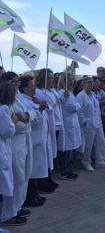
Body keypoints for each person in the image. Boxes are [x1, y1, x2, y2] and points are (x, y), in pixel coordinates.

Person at [0, 72, 33, 225]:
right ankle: (10, 211)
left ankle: (17, 206)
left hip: (24, 139)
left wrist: (24, 117)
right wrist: (21, 120)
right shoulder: (5, 105)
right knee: (16, 176)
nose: (17, 84)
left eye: (18, 81)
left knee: (24, 173)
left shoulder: (17, 96)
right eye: (13, 81)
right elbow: (10, 126)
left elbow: (29, 112)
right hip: (14, 143)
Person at [19, 75, 48, 207]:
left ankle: (34, 193)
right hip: (31, 138)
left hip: (38, 138)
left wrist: (39, 106)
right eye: (32, 86)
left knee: (35, 169)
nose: (34, 87)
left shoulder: (33, 99)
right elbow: (32, 121)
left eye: (35, 85)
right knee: (30, 170)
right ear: (24, 88)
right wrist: (40, 110)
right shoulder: (24, 102)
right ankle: (30, 196)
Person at [0, 82, 24, 226]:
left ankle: (9, 212)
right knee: (7, 182)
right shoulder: (3, 109)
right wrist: (13, 121)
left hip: (4, 148)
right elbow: (7, 130)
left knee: (6, 182)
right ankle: (8, 214)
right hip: (2, 149)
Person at [76, 77, 105, 172]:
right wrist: (84, 121)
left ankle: (100, 160)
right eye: (88, 83)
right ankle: (86, 162)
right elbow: (79, 111)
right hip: (88, 124)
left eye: (91, 83)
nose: (91, 85)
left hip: (97, 122)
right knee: (88, 145)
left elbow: (97, 108)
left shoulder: (93, 94)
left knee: (101, 141)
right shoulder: (80, 96)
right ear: (83, 84)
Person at [57, 72, 81, 179]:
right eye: (69, 79)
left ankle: (67, 169)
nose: (72, 81)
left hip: (72, 123)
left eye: (73, 79)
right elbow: (72, 107)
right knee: (66, 149)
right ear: (64, 81)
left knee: (69, 149)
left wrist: (76, 106)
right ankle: (64, 171)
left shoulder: (70, 93)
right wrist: (77, 106)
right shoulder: (62, 92)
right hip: (66, 124)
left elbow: (75, 106)